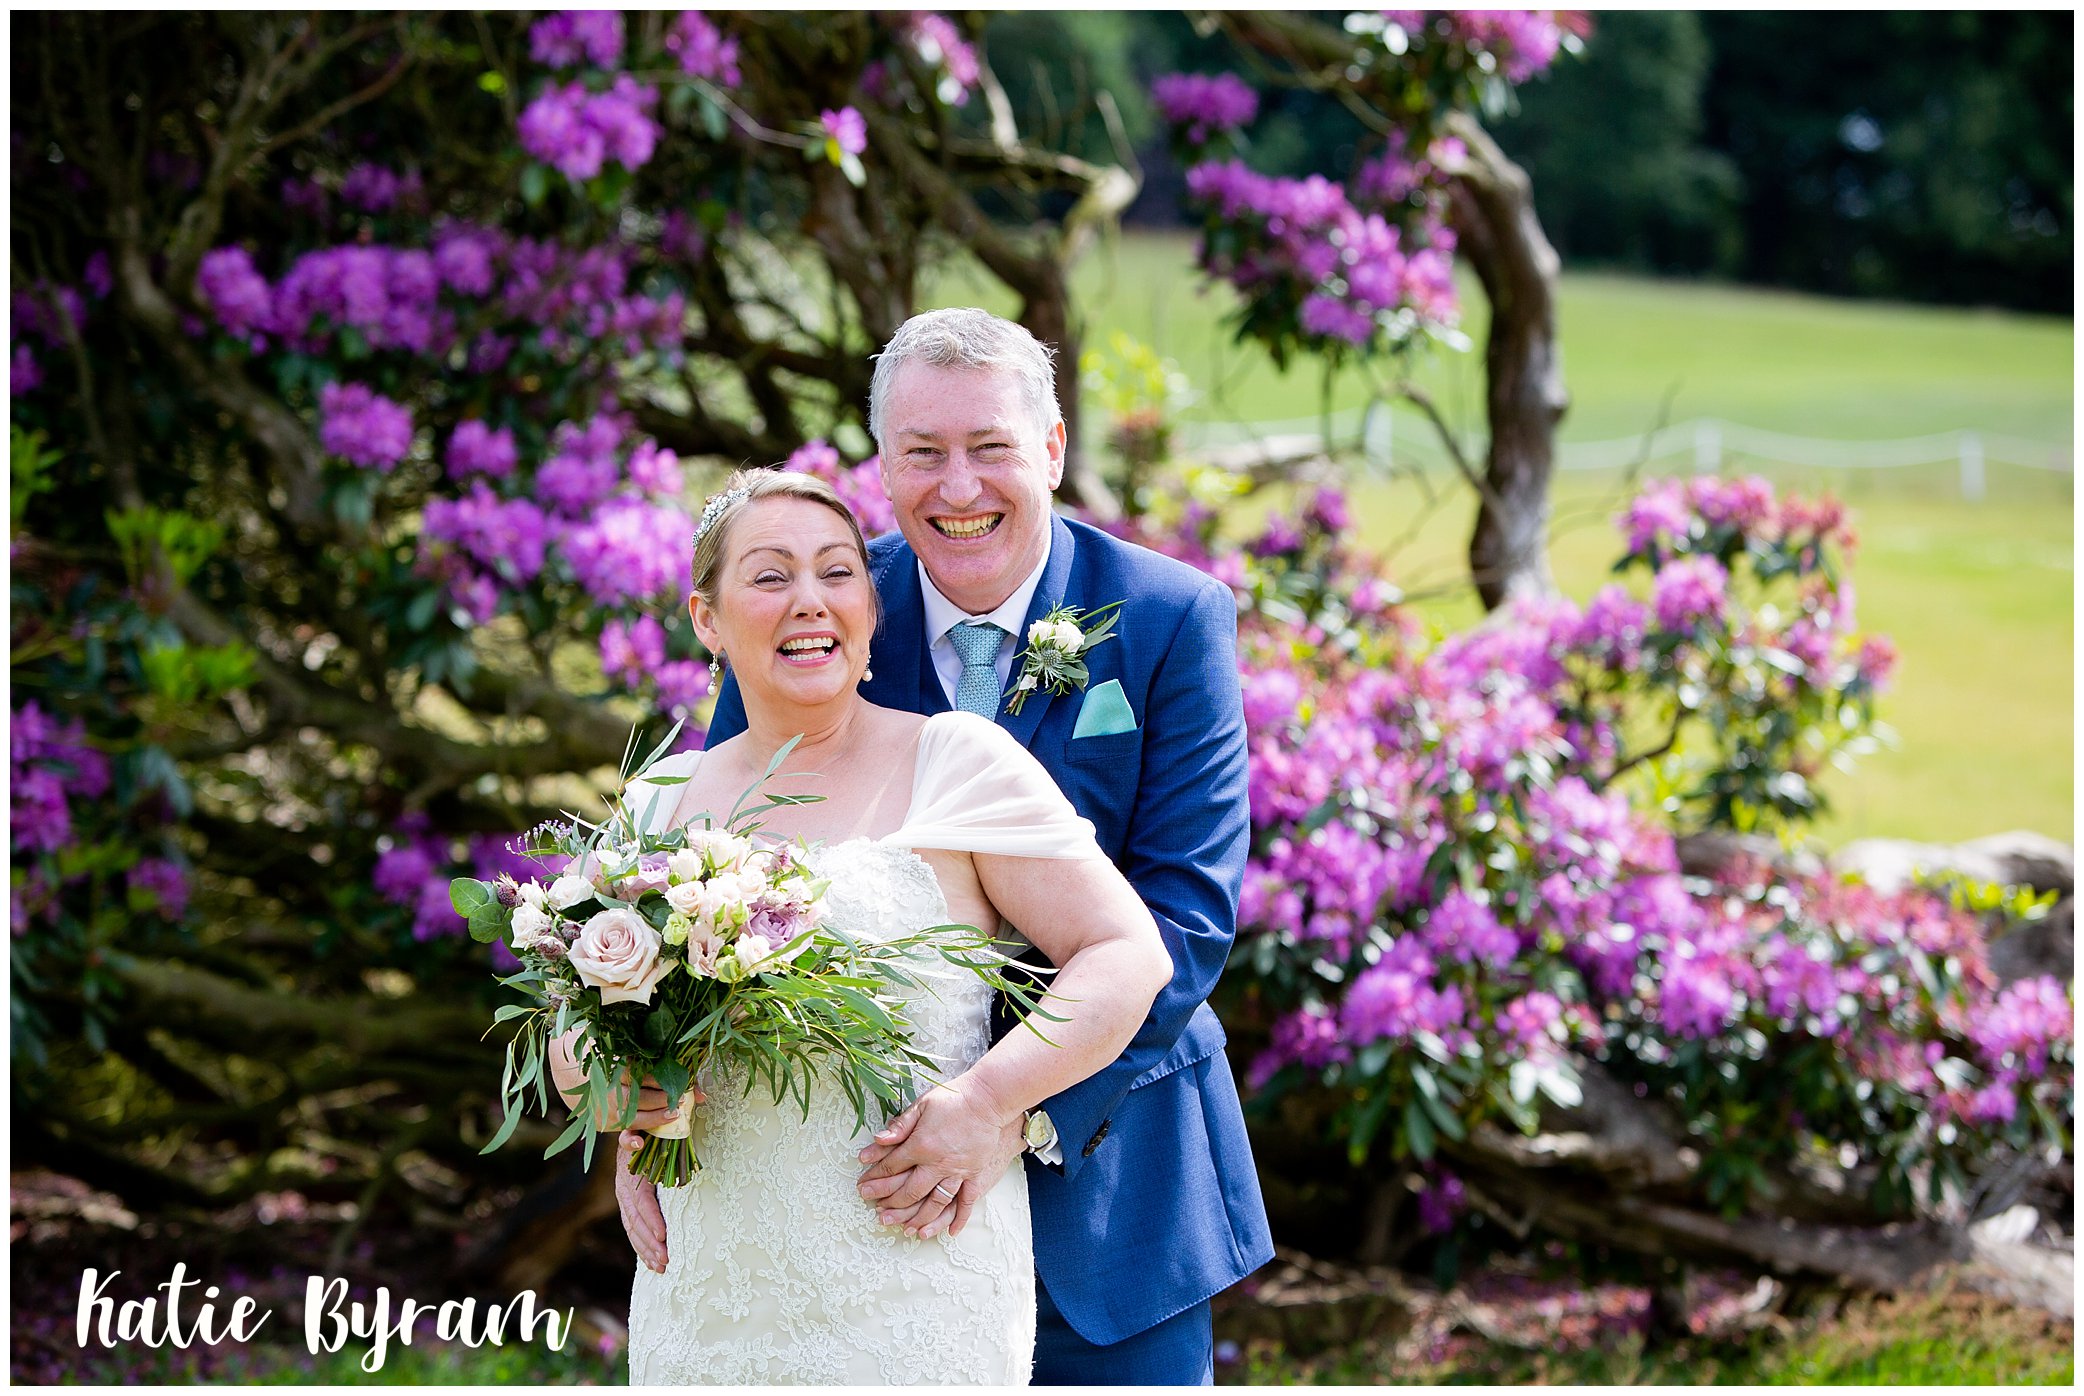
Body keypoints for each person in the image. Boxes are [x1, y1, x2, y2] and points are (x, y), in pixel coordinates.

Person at [684, 308, 1275, 1383]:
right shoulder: (817, 607)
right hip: (859, 1198)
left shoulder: (1170, 618)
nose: (958, 487)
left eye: (990, 446)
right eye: (922, 453)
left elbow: (1183, 923)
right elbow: (720, 878)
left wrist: (1010, 1109)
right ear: (882, 465)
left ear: (1051, 448)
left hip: (1113, 1184)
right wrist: (658, 1118)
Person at [577, 468, 1172, 1383]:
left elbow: (1126, 955)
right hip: (709, 1292)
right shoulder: (658, 804)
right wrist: (618, 1092)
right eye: (770, 576)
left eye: (837, 572)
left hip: (912, 1280)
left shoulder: (958, 762)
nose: (809, 601)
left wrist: (989, 1102)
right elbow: (575, 1038)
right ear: (707, 619)